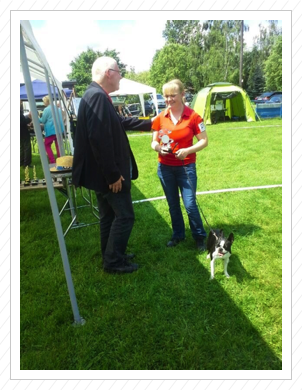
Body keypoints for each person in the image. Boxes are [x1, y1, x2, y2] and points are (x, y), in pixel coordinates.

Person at [72, 56, 152, 274]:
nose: (121, 77)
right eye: (119, 72)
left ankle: (111, 254)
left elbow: (119, 123)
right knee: (125, 216)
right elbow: (99, 139)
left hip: (101, 175)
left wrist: (152, 123)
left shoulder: (95, 94)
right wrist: (113, 175)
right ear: (108, 73)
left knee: (108, 216)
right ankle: (113, 262)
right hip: (108, 175)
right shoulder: (97, 96)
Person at [151, 79, 208, 251]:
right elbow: (153, 142)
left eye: (172, 95)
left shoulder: (194, 117)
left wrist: (187, 151)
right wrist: (159, 148)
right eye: (166, 96)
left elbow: (204, 141)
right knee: (173, 204)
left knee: (190, 204)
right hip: (165, 168)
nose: (168, 99)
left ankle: (199, 237)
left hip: (186, 167)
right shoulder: (160, 118)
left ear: (182, 95)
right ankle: (178, 235)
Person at [38, 95, 65, 164]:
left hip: (51, 130)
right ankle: (60, 160)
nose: (44, 103)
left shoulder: (47, 109)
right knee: (58, 145)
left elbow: (43, 120)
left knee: (47, 145)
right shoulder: (58, 109)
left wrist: (37, 118)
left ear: (46, 101)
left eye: (44, 102)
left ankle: (52, 161)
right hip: (59, 130)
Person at [20, 100, 32, 168]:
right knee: (26, 147)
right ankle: (26, 163)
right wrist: (29, 118)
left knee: (22, 147)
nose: (21, 103)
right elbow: (22, 121)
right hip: (23, 131)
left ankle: (21, 162)